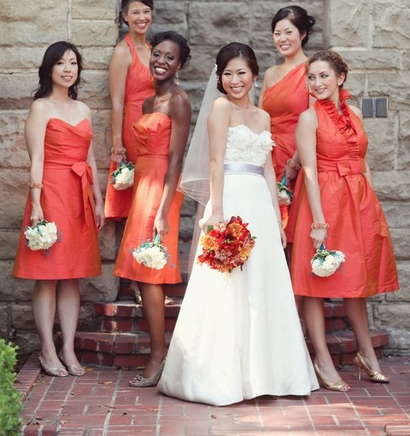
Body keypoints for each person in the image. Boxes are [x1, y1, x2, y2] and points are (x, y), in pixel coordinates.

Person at [158, 43, 318, 406]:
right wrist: (217, 212)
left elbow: (266, 167)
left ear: (254, 75)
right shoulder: (219, 108)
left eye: (241, 72)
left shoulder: (263, 117)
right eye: (227, 73)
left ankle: (268, 374)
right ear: (221, 77)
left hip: (259, 205)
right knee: (227, 286)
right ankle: (224, 377)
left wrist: (277, 219)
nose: (234, 80)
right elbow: (215, 160)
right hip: (229, 200)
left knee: (263, 285)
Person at [288, 50, 399, 392]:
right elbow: (307, 170)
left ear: (341, 78)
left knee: (356, 280)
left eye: (324, 76)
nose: (317, 83)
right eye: (312, 77)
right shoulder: (308, 118)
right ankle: (321, 358)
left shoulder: (352, 112)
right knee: (315, 284)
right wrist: (318, 220)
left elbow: (362, 160)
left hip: (357, 200)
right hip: (324, 200)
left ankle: (366, 353)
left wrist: (372, 202)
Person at [13, 41, 104, 377]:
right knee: (48, 275)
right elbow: (36, 158)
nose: (68, 69)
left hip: (79, 195)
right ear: (49, 68)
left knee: (72, 275)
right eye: (61, 63)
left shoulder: (84, 110)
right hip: (50, 193)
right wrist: (36, 203)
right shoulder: (40, 107)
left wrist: (98, 198)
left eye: (74, 63)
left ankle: (68, 349)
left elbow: (90, 158)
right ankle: (47, 351)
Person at [113, 30, 191, 387]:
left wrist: (162, 210)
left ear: (180, 64)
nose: (161, 61)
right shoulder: (146, 104)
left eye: (169, 57)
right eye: (157, 54)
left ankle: (159, 355)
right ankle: (157, 350)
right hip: (142, 183)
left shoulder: (178, 101)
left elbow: (176, 159)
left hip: (162, 187)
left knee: (152, 272)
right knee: (142, 271)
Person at [259, 5, 315, 232]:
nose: (282, 38)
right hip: (269, 152)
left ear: (302, 34)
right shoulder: (270, 73)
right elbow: (260, 114)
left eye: (288, 32)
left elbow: (315, 121)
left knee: (295, 221)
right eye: (277, 33)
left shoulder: (313, 69)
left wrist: (295, 162)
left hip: (299, 153)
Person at [104, 0, 155, 220]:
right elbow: (116, 101)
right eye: (135, 12)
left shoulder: (154, 50)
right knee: (139, 188)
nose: (142, 17)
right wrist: (117, 145)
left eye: (146, 11)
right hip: (134, 125)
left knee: (154, 189)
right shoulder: (123, 52)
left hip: (157, 127)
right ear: (125, 16)